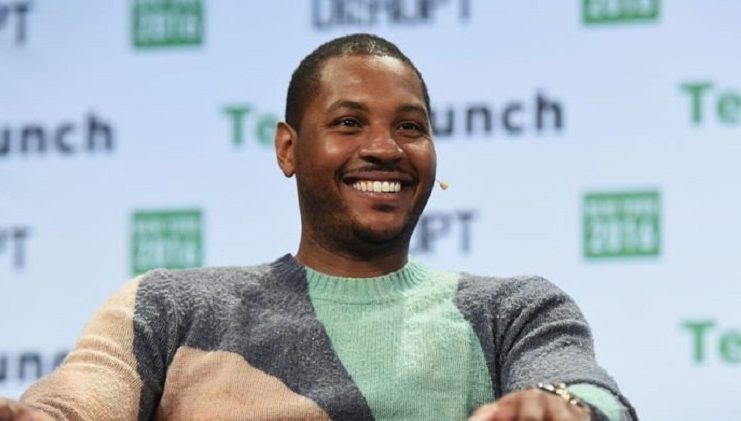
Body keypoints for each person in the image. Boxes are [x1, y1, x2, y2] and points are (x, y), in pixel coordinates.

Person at [0, 33, 637, 421]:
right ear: (288, 149)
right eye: (348, 123)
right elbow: (77, 402)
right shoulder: (170, 308)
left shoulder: (512, 311)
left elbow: (591, 394)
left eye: (410, 127)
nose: (385, 148)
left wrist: (559, 405)